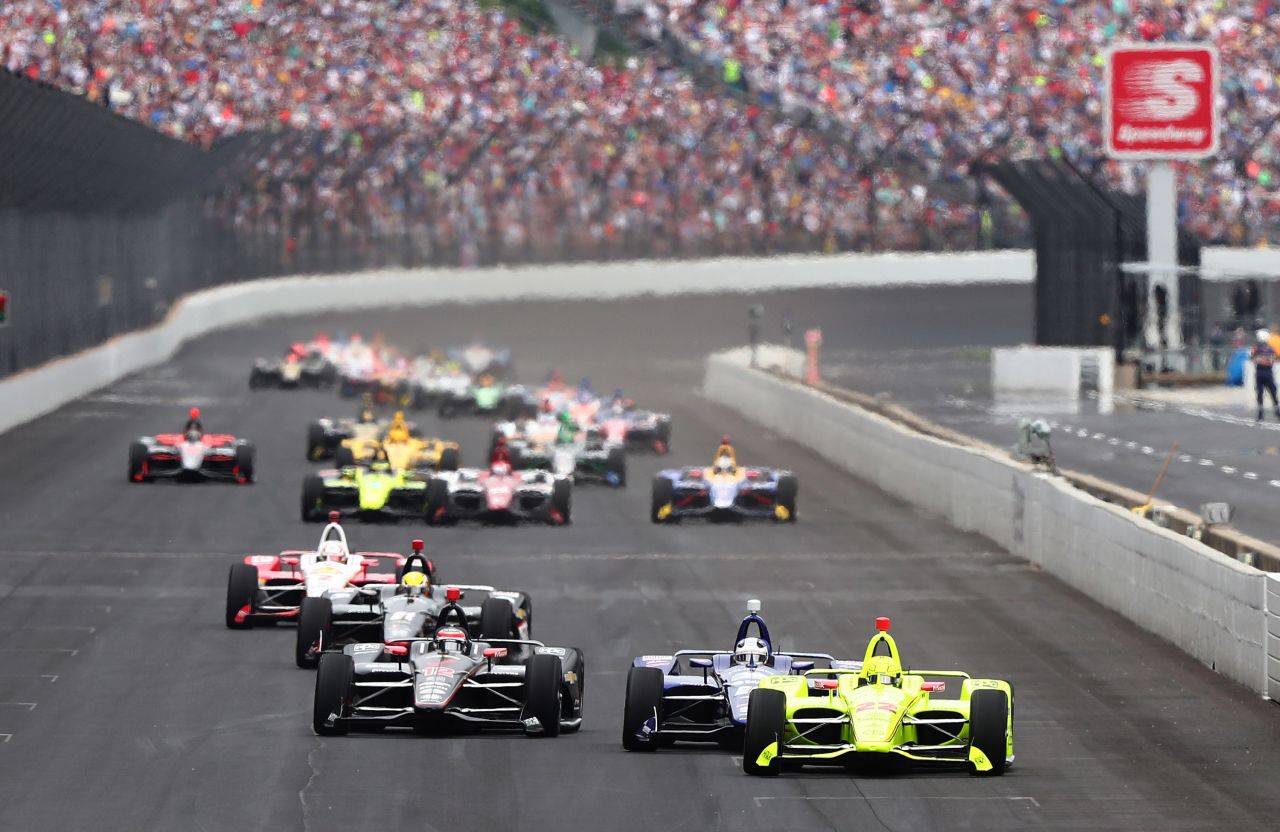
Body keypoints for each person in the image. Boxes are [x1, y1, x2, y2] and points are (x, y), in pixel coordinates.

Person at [1252, 329, 1279, 421]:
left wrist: (1259, 359)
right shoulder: (1270, 349)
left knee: (1260, 393)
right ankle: (1277, 411)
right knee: (1273, 392)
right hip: (1268, 373)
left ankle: (1260, 414)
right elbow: (1273, 359)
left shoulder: (1256, 348)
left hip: (1260, 373)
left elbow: (1252, 357)